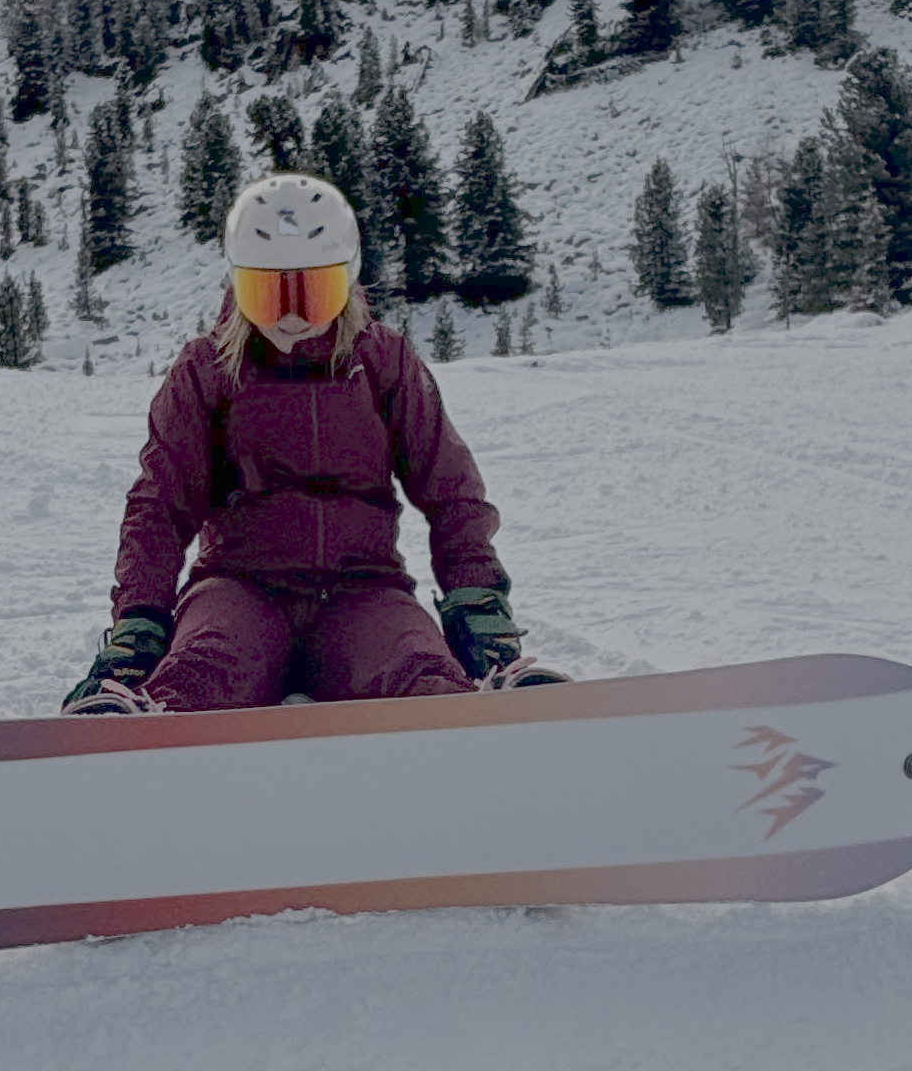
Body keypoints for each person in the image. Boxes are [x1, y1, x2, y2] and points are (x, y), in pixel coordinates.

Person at [63, 171, 554, 714]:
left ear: (346, 282)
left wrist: (475, 605)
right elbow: (159, 506)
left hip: (362, 591)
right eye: (268, 295)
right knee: (204, 668)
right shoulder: (206, 371)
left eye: (312, 294)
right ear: (236, 284)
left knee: (416, 667)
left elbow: (452, 491)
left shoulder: (381, 362)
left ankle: (491, 730)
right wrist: (139, 623)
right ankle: (127, 737)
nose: (291, 318)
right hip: (240, 587)